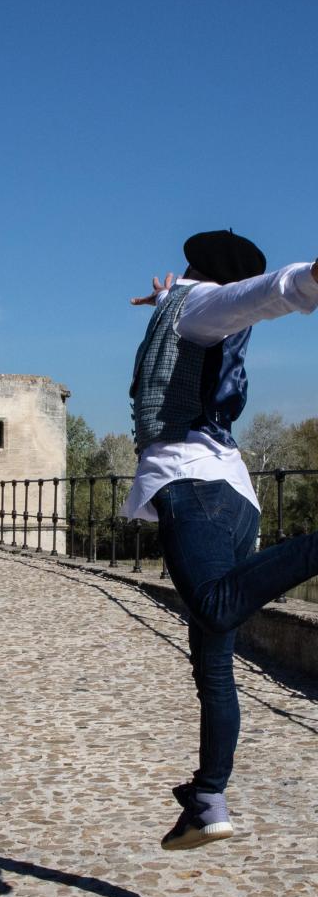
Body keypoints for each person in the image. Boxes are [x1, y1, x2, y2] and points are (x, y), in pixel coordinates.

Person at [123, 229, 318, 851]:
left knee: (210, 604)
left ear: (194, 267)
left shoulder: (203, 305)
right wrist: (162, 300)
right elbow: (225, 307)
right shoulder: (192, 308)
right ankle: (208, 800)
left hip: (194, 482)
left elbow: (268, 291)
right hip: (233, 496)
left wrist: (311, 275)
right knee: (213, 663)